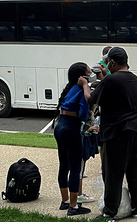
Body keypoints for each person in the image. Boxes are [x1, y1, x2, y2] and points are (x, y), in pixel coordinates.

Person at [79, 47, 137, 220]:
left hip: (118, 131)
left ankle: (110, 211)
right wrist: (106, 77)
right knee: (135, 171)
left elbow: (91, 98)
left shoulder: (111, 80)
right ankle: (136, 208)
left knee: (113, 172)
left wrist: (85, 85)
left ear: (113, 62)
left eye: (109, 62)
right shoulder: (134, 78)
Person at [54, 62, 92, 216]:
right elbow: (83, 114)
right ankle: (74, 206)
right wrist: (85, 87)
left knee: (64, 165)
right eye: (89, 71)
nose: (91, 72)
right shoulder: (81, 90)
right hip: (71, 128)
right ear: (82, 76)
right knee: (75, 168)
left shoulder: (69, 89)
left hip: (60, 126)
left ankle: (64, 201)